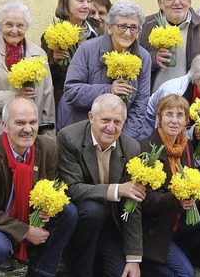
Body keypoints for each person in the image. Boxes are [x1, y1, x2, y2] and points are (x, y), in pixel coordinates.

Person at [0, 97, 78, 277]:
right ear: (5, 126)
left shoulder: (48, 148)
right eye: (20, 123)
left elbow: (52, 187)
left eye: (33, 122)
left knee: (68, 212)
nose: (28, 129)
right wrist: (25, 231)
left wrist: (47, 209)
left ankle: (40, 272)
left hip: (28, 214)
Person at [57, 94, 144, 277]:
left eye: (117, 122)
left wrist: (133, 257)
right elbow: (72, 189)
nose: (111, 127)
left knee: (119, 273)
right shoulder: (69, 138)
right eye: (105, 120)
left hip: (111, 222)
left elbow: (133, 202)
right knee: (93, 210)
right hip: (81, 220)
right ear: (91, 117)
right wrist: (117, 189)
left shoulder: (131, 148)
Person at [0, 0, 55, 158]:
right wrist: (15, 97)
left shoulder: (38, 54)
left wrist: (48, 136)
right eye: (9, 25)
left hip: (28, 137)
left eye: (20, 25)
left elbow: (47, 99)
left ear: (27, 27)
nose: (14, 30)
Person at [57, 0, 151, 138]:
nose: (127, 32)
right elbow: (71, 91)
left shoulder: (143, 57)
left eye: (133, 27)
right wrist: (108, 90)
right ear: (109, 27)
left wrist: (123, 141)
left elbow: (139, 106)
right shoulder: (87, 49)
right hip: (80, 131)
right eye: (122, 26)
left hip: (117, 134)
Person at [139, 94, 197, 277]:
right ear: (159, 118)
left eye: (180, 115)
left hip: (176, 223)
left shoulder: (187, 147)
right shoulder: (145, 149)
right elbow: (144, 200)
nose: (174, 120)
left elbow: (193, 181)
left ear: (186, 120)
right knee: (185, 274)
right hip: (152, 229)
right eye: (168, 114)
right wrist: (176, 201)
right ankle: (144, 263)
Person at [139, 0, 200, 93]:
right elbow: (134, 60)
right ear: (160, 3)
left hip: (191, 99)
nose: (177, 2)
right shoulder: (146, 26)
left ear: (189, 1)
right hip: (154, 98)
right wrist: (152, 58)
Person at [141, 52, 200, 140]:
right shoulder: (173, 92)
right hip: (152, 136)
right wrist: (193, 133)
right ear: (199, 79)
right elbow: (164, 131)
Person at [42, 0, 99, 106]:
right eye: (80, 1)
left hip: (95, 99)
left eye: (88, 1)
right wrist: (54, 60)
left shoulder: (98, 31)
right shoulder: (52, 35)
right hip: (66, 102)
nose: (86, 6)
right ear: (66, 3)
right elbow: (45, 77)